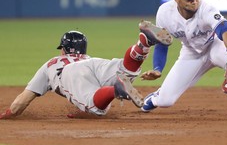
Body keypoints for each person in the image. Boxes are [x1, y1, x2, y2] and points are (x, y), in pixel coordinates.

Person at [0, 20, 173, 119]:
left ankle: (116, 89)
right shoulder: (88, 58)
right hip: (96, 65)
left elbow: (21, 102)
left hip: (69, 73)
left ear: (63, 49)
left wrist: (8, 114)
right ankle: (143, 43)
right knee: (126, 70)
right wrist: (79, 113)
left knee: (97, 108)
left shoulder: (51, 63)